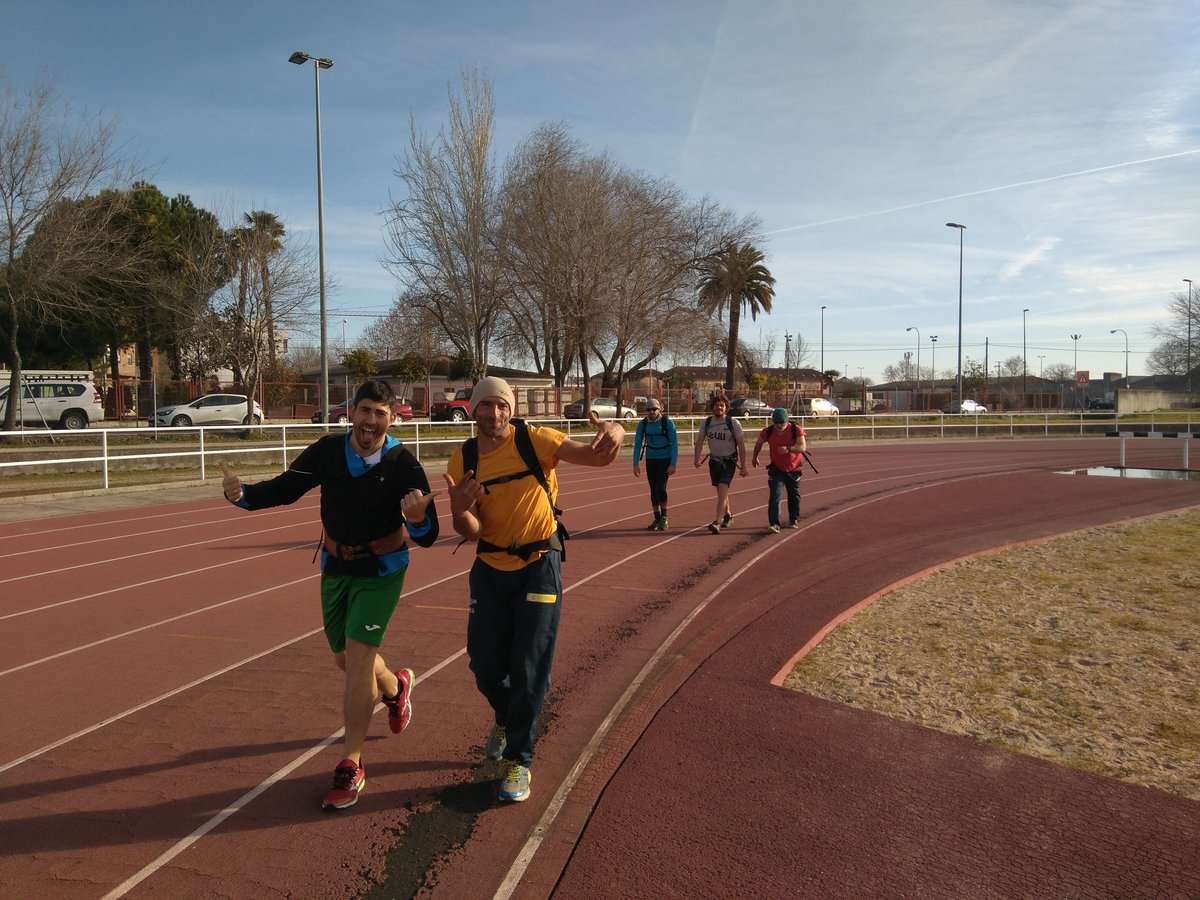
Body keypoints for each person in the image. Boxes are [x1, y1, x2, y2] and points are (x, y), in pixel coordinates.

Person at [219, 380, 438, 811]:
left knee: (357, 659)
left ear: (391, 418)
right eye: (364, 411)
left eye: (379, 413)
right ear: (351, 413)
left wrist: (415, 520)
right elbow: (285, 488)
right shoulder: (327, 451)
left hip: (381, 570)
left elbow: (428, 534)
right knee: (343, 657)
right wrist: (243, 495)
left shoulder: (402, 464)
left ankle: (351, 762)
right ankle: (396, 688)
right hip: (336, 568)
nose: (370, 421)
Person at [442, 377, 625, 803]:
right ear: (473, 410)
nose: (494, 414)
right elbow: (468, 531)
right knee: (484, 665)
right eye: (485, 406)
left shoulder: (535, 440)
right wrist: (458, 509)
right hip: (489, 568)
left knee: (529, 665)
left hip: (539, 565)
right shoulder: (462, 459)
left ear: (511, 408)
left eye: (501, 405)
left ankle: (518, 760)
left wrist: (613, 432)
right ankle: (506, 718)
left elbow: (596, 458)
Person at [693, 391, 748, 533]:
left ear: (726, 407)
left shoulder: (733, 423)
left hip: (728, 461)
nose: (719, 408)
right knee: (721, 493)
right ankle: (728, 515)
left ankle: (718, 521)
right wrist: (697, 458)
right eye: (717, 405)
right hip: (714, 461)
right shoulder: (707, 423)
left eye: (722, 405)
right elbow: (699, 442)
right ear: (712, 407)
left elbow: (741, 445)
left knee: (723, 489)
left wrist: (743, 466)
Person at [751, 407, 807, 532]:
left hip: (794, 469)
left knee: (794, 496)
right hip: (777, 468)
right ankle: (774, 523)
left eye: (782, 422)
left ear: (787, 421)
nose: (779, 425)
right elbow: (758, 443)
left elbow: (802, 446)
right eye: (776, 422)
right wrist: (755, 457)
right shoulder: (768, 431)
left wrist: (788, 448)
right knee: (775, 495)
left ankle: (794, 519)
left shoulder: (796, 429)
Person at [632, 398, 678, 531]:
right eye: (648, 409)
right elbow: (637, 444)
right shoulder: (643, 424)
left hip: (665, 459)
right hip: (651, 459)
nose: (651, 412)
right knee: (653, 489)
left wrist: (673, 464)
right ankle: (656, 518)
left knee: (660, 487)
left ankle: (664, 516)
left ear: (660, 409)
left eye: (654, 409)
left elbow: (674, 444)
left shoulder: (667, 423)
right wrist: (635, 464)